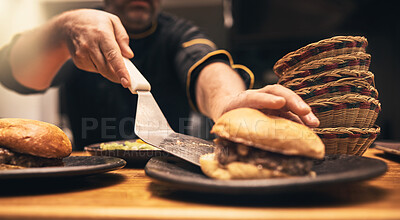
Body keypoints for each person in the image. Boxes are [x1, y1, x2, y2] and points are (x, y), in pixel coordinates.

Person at [0, 0, 319, 149]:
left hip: (166, 176)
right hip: (84, 178)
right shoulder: (81, 35)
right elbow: (13, 73)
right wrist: (60, 30)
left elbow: (206, 65)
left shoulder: (177, 34)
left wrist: (227, 102)